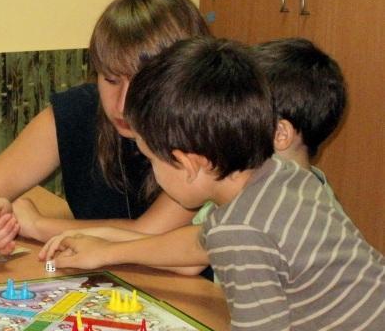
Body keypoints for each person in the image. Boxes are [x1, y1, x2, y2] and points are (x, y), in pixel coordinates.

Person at [112, 36, 384, 331]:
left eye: (151, 160)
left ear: (187, 163)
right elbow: (199, 243)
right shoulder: (282, 176)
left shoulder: (237, 230)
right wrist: (104, 252)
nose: (153, 171)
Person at [41, 38, 349, 276]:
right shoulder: (253, 189)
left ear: (280, 133)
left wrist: (103, 248)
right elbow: (195, 244)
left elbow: (193, 255)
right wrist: (100, 245)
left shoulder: (279, 202)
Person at [0, 0, 210, 254]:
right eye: (111, 79)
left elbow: (151, 235)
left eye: (140, 85)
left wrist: (36, 225)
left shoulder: (202, 131)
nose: (123, 105)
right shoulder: (78, 110)